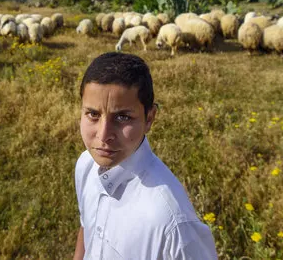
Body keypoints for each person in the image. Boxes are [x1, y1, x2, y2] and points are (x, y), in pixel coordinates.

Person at [73, 52, 217, 259]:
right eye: (93, 114)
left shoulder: (172, 222)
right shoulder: (85, 165)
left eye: (122, 117)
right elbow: (87, 226)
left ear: (149, 118)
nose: (103, 135)